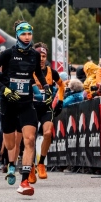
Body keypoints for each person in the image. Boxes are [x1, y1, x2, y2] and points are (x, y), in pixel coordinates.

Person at [0, 21, 50, 196]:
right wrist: (4, 89)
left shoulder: (35, 55)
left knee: (29, 140)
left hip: (26, 103)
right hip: (9, 103)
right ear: (17, 35)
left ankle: (24, 181)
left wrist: (46, 86)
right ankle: (11, 164)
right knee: (11, 144)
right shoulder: (8, 54)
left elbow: (38, 73)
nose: (27, 37)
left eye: (29, 34)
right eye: (23, 34)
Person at [30, 43, 64, 182]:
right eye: (39, 56)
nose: (41, 59)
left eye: (44, 56)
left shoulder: (52, 72)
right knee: (30, 139)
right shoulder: (29, 71)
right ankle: (30, 167)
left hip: (46, 108)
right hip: (31, 108)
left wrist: (60, 101)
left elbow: (62, 85)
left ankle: (41, 163)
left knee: (48, 133)